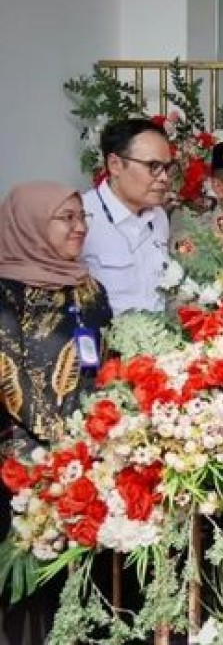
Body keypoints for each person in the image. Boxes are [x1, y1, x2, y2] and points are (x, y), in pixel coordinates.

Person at [0, 182, 112, 643]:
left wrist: (104, 428)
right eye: (65, 218)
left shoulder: (87, 288)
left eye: (81, 217)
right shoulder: (4, 290)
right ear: (30, 223)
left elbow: (106, 361)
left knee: (75, 583)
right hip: (16, 463)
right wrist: (55, 447)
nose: (80, 227)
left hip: (82, 459)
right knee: (20, 585)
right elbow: (7, 372)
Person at [81, 118, 173, 314]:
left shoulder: (159, 217)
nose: (164, 178)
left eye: (166, 168)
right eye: (154, 166)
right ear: (115, 165)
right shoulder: (81, 216)